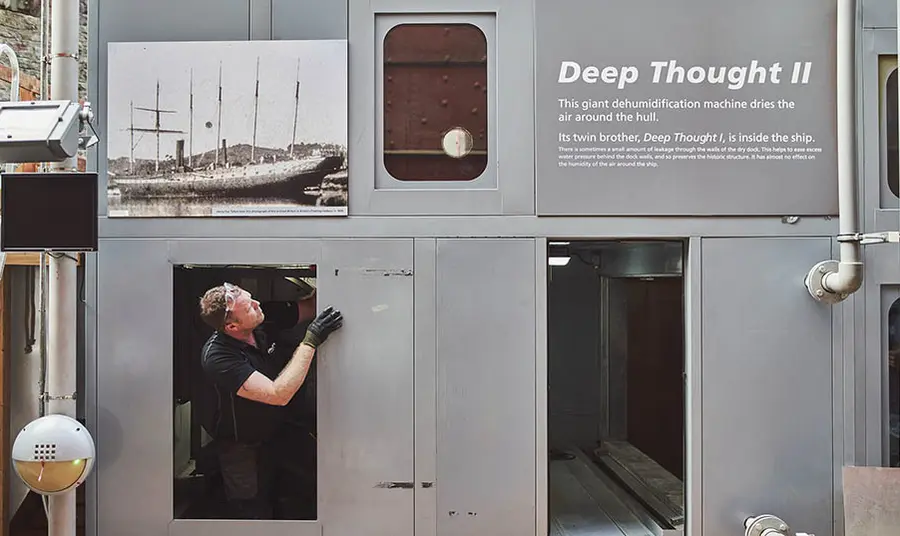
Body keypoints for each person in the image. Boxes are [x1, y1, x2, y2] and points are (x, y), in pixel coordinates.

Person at [196, 280, 343, 519]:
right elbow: (278, 394)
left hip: (280, 432)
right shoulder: (219, 357)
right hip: (243, 447)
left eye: (251, 298)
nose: (257, 304)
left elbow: (312, 306)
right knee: (252, 510)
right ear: (233, 326)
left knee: (300, 490)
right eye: (250, 307)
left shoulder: (263, 315)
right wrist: (311, 340)